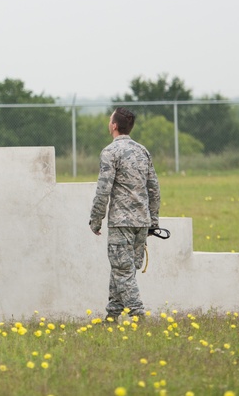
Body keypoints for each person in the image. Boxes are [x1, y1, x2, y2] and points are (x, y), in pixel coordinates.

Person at [88, 107, 161, 319]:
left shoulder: (110, 152)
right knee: (122, 271)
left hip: (121, 224)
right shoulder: (142, 151)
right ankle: (111, 317)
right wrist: (153, 222)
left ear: (114, 126)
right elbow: (154, 189)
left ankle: (139, 316)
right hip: (142, 223)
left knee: (123, 272)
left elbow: (103, 190)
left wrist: (95, 220)